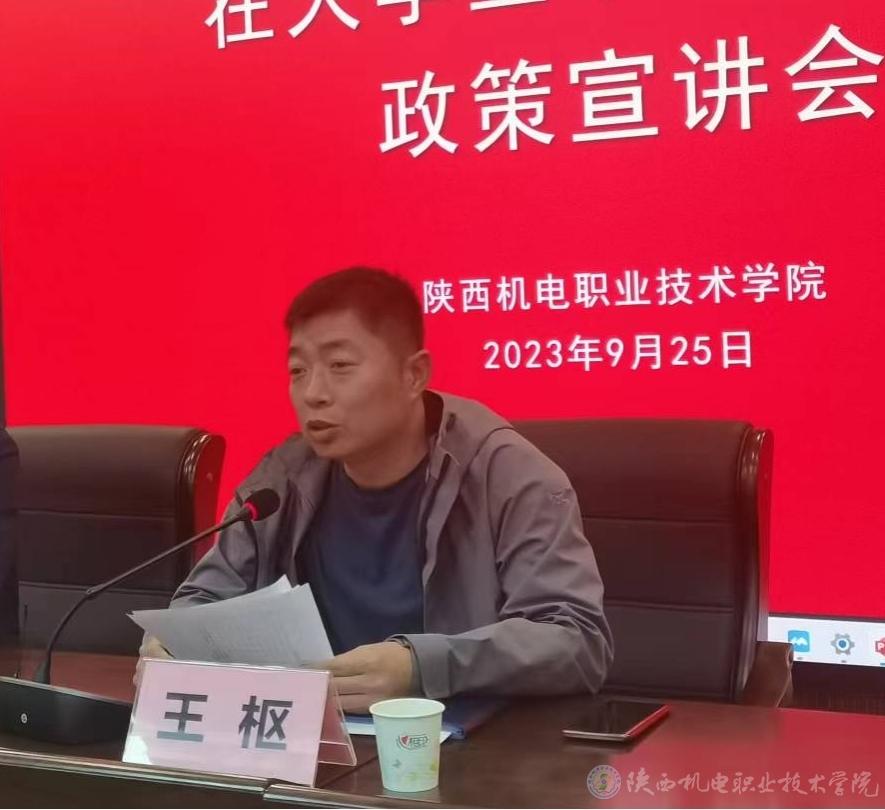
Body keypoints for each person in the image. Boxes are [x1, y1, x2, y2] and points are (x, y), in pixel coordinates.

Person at [139, 267, 613, 711]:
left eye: (340, 365)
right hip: (317, 740)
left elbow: (576, 640)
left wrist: (419, 666)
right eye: (298, 370)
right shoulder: (282, 479)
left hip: (464, 745)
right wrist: (173, 643)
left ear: (414, 375)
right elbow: (205, 599)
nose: (313, 393)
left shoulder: (507, 475)